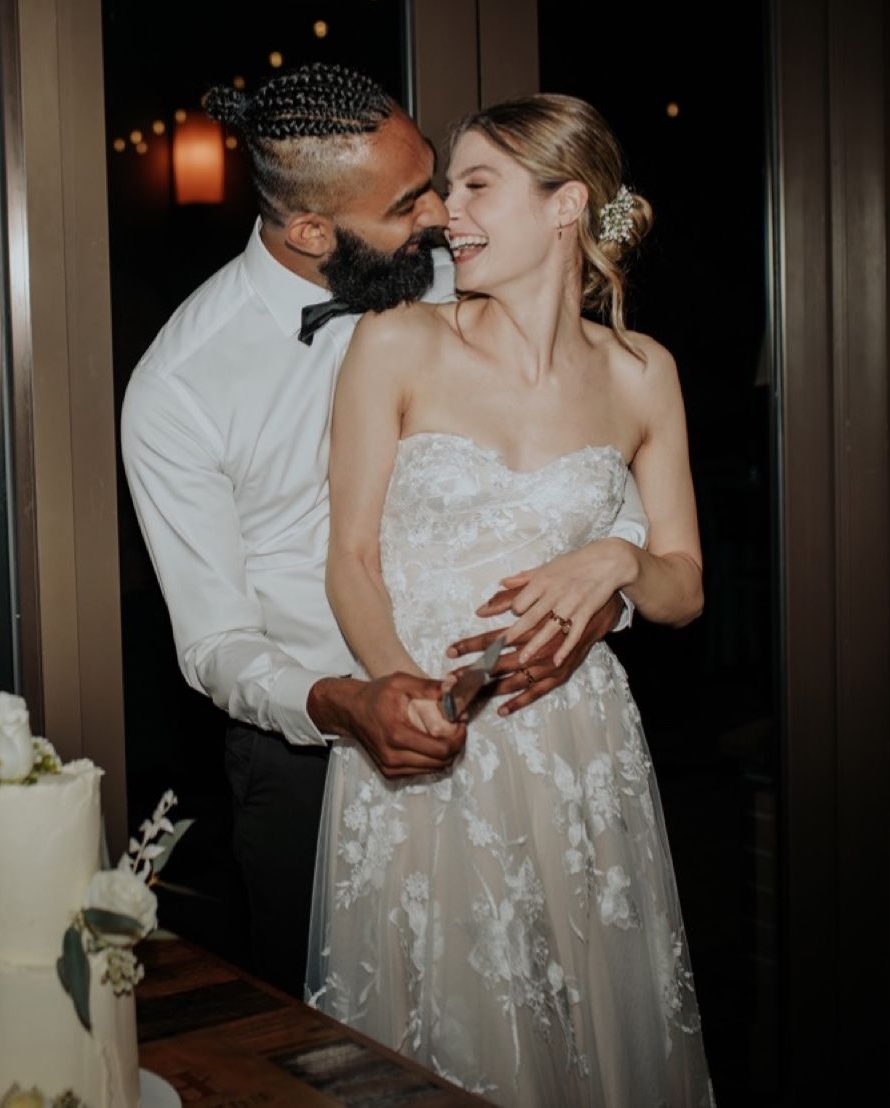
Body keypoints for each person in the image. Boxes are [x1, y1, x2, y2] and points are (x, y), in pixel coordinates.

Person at [119, 65, 645, 994]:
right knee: (338, 1044)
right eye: (412, 202)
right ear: (312, 230)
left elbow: (602, 466)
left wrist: (600, 604)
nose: (445, 213)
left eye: (438, 179)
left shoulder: (463, 270)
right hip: (315, 758)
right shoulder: (181, 389)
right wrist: (344, 702)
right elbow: (215, 643)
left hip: (519, 731)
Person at [309, 94, 714, 1104]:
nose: (447, 211)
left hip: (575, 750)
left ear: (565, 204)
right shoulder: (397, 342)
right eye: (450, 188)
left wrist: (616, 566)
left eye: (476, 184)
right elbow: (349, 560)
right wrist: (402, 698)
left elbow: (682, 585)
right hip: (426, 735)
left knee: (584, 1032)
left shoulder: (640, 372)